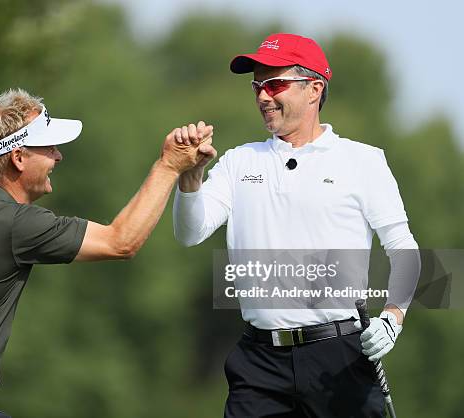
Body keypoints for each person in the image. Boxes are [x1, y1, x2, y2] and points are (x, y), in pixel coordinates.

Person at [0, 88, 214, 418]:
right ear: (18, 158)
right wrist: (168, 166)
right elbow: (121, 242)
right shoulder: (17, 223)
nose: (58, 156)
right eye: (48, 147)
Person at [173, 33, 420, 417]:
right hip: (258, 362)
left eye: (275, 84)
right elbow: (190, 233)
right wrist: (189, 177)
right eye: (257, 86)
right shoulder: (239, 162)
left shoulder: (363, 161)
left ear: (314, 89)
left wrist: (394, 317)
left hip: (339, 357)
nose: (262, 96)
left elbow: (402, 247)